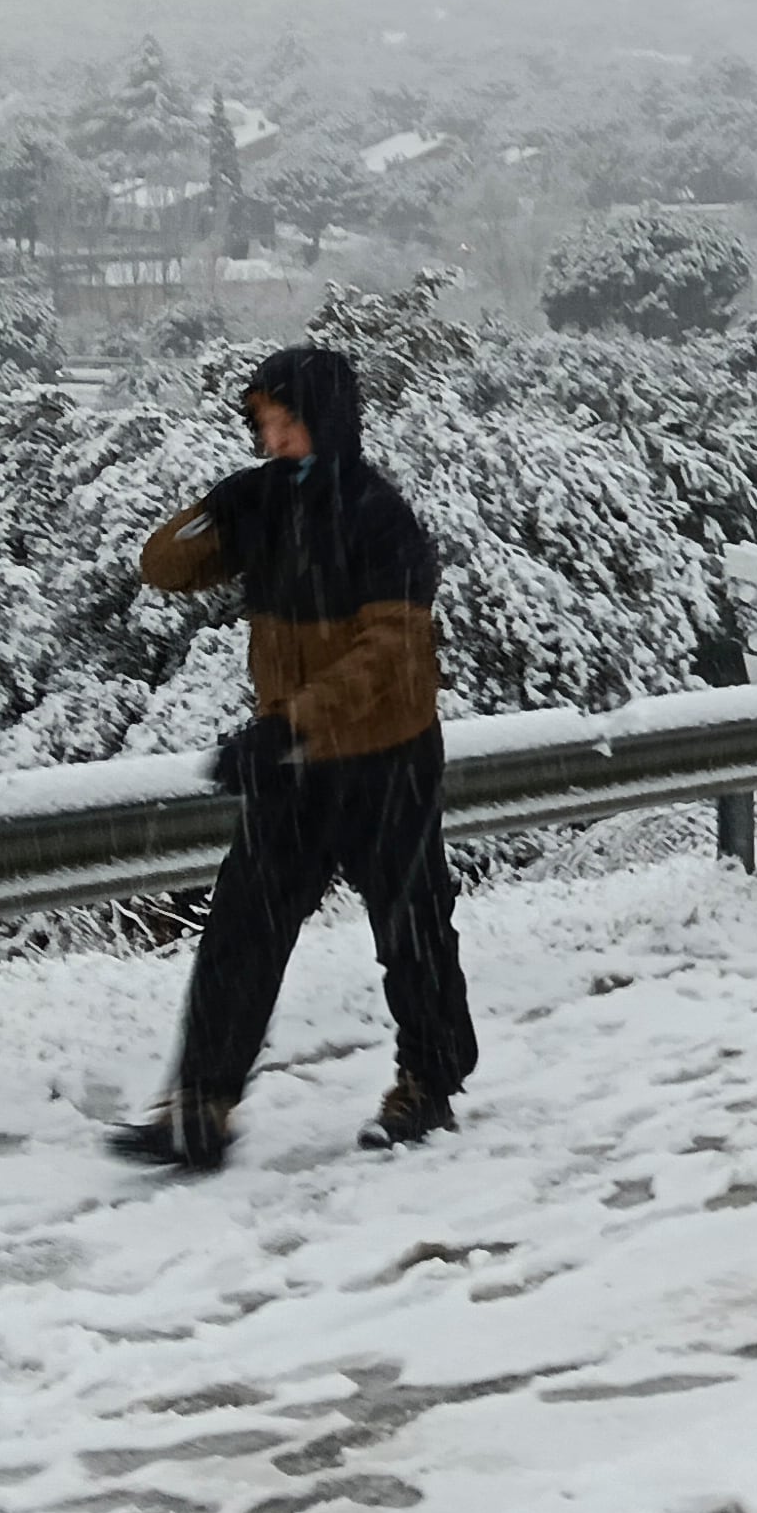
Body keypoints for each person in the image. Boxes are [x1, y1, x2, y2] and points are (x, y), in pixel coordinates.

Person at [113, 344, 477, 1168]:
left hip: (385, 759)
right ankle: (200, 1105)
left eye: (289, 423)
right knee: (242, 928)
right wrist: (225, 502)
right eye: (263, 425)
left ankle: (430, 1077)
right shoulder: (266, 503)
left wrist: (292, 722)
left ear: (330, 421)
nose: (273, 439)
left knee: (410, 928)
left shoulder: (382, 517)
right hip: (297, 757)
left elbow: (391, 652)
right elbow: (164, 564)